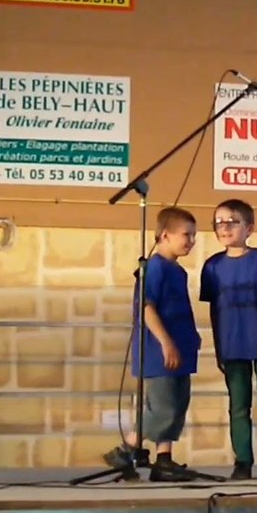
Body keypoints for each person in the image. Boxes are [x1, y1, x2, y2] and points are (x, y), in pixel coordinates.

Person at [103, 207, 202, 483]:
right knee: (163, 406)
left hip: (181, 348)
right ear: (165, 235)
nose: (191, 241)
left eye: (194, 236)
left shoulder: (177, 271)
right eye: (186, 235)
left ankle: (164, 459)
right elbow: (147, 308)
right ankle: (127, 448)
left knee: (178, 404)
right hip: (160, 350)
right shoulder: (154, 267)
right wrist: (166, 342)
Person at [200, 199, 257, 480]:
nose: (224, 227)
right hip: (232, 344)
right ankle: (242, 461)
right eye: (219, 222)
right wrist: (218, 348)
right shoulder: (212, 266)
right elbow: (214, 309)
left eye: (232, 221)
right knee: (238, 405)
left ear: (249, 227)